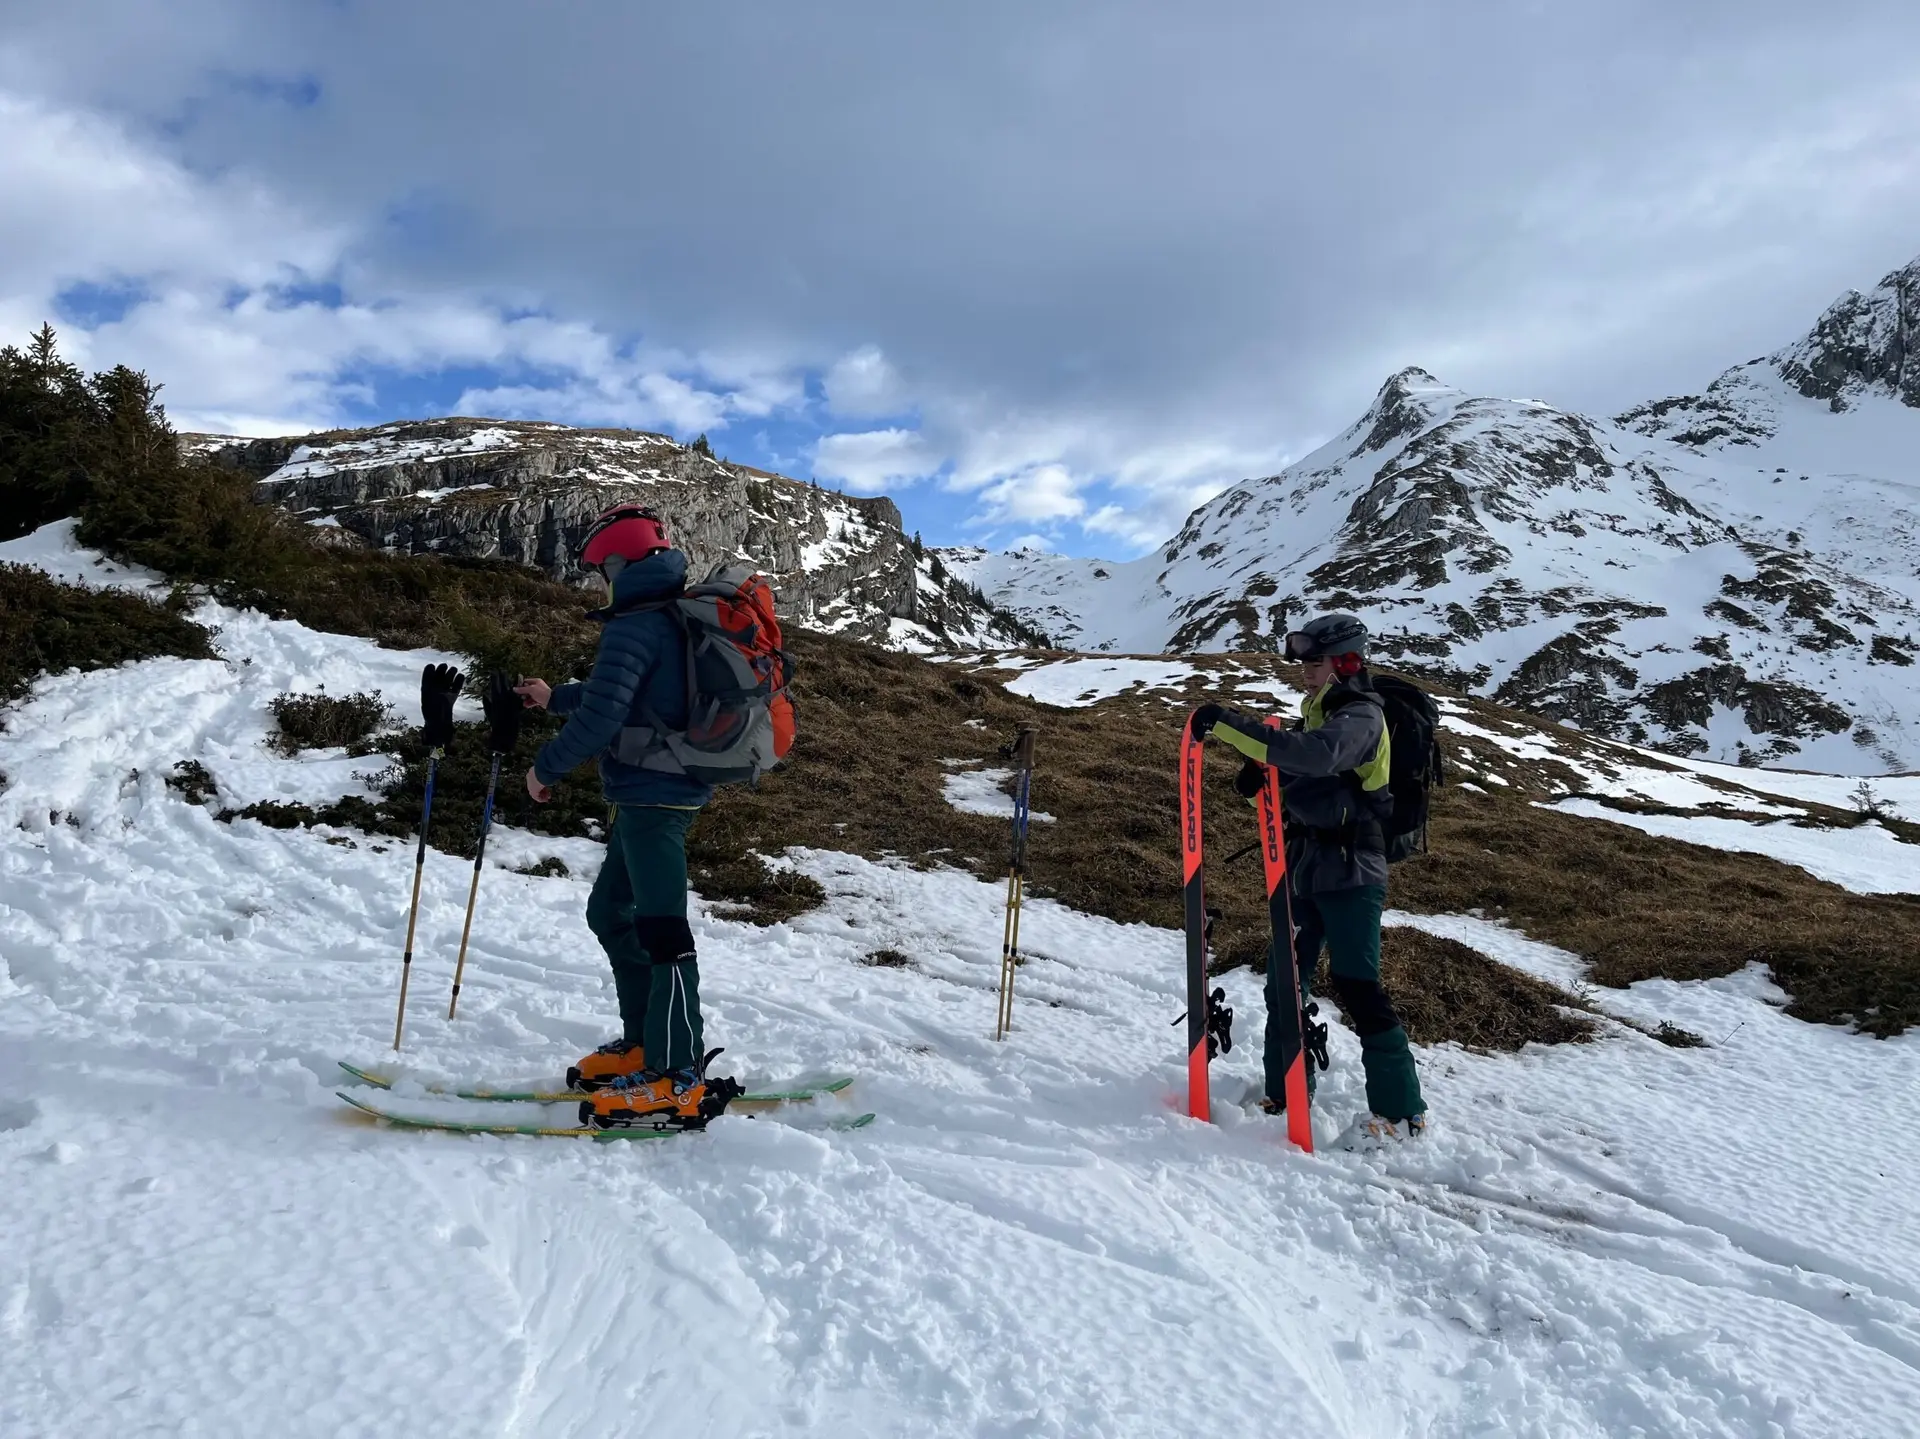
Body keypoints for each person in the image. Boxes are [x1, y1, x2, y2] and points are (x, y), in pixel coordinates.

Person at [514, 501, 723, 1127]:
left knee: (663, 932)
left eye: (601, 568)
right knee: (609, 911)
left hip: (656, 795)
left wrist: (544, 769)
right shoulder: (662, 616)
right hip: (651, 792)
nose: (600, 580)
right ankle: (643, 1042)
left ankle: (677, 1074)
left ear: (618, 562)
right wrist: (555, 697)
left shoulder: (636, 624)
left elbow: (603, 717)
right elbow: (621, 694)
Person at [1192, 613, 1427, 1141]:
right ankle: (1286, 1090)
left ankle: (1401, 1111)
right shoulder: (1318, 716)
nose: (1305, 669)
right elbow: (1297, 783)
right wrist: (1260, 782)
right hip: (1303, 869)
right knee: (1284, 982)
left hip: (1353, 872)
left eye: (1315, 660)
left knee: (1358, 986)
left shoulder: (1362, 717)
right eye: (1302, 661)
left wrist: (1229, 727)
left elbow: (1318, 758)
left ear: (1346, 662)